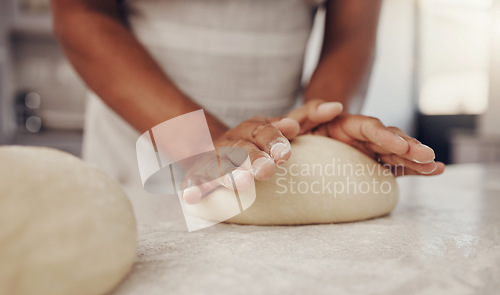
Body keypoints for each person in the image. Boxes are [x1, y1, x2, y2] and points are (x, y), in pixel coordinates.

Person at [51, 0, 444, 203]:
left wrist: (322, 120)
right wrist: (204, 145)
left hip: (280, 157)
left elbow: (351, 33)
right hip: (140, 155)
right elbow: (81, 13)